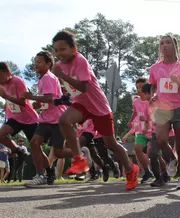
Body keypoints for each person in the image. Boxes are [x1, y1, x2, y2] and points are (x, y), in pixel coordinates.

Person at [51, 30, 139, 190]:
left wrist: (62, 76)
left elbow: (83, 87)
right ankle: (79, 160)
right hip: (82, 105)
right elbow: (73, 90)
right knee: (64, 120)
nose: (59, 53)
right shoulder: (59, 66)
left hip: (99, 108)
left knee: (110, 144)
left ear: (73, 48)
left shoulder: (80, 61)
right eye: (56, 50)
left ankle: (130, 169)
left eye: (62, 49)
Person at [149, 34, 180, 190]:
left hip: (179, 109)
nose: (164, 45)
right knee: (161, 140)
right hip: (162, 109)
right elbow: (154, 86)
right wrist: (154, 95)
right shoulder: (155, 68)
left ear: (175, 46)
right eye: (162, 43)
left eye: (168, 42)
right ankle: (172, 159)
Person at [23, 51, 67, 187]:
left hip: (57, 119)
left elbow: (49, 98)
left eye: (39, 62)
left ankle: (82, 158)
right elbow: (45, 101)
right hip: (45, 119)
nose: (36, 64)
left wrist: (32, 97)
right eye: (35, 62)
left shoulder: (48, 77)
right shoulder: (42, 79)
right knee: (35, 142)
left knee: (58, 152)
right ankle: (42, 174)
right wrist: (34, 105)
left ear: (48, 64)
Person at [0, 62, 38, 159]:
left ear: (8, 73)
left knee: (37, 149)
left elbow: (23, 103)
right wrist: (6, 105)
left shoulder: (18, 81)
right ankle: (18, 151)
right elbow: (9, 98)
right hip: (15, 118)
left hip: (29, 119)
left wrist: (6, 97)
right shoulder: (1, 85)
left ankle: (48, 171)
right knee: (1, 134)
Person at [128, 78, 154, 183]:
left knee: (154, 153)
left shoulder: (151, 101)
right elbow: (135, 112)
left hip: (153, 130)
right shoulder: (136, 101)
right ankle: (147, 172)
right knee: (137, 149)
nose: (139, 89)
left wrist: (147, 121)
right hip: (141, 130)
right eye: (137, 87)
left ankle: (163, 172)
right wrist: (130, 121)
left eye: (141, 86)